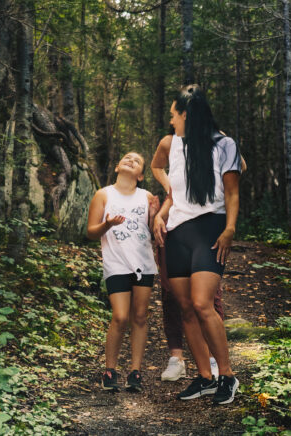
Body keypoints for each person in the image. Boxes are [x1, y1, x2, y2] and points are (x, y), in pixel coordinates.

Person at [152, 85, 242, 405]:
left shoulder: (224, 144)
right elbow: (169, 182)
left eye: (174, 115)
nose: (171, 121)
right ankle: (205, 377)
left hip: (209, 228)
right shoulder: (173, 143)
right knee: (186, 307)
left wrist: (230, 228)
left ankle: (227, 376)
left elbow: (232, 191)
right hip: (177, 231)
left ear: (187, 115)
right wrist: (165, 208)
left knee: (203, 304)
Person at [87, 152, 160, 392]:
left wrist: (154, 215)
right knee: (119, 316)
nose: (131, 160)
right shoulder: (103, 194)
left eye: (137, 161)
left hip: (143, 264)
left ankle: (135, 371)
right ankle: (110, 370)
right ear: (117, 167)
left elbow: (153, 232)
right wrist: (108, 224)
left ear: (140, 175)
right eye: (127, 158)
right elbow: (91, 232)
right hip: (116, 263)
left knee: (139, 316)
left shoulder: (146, 197)